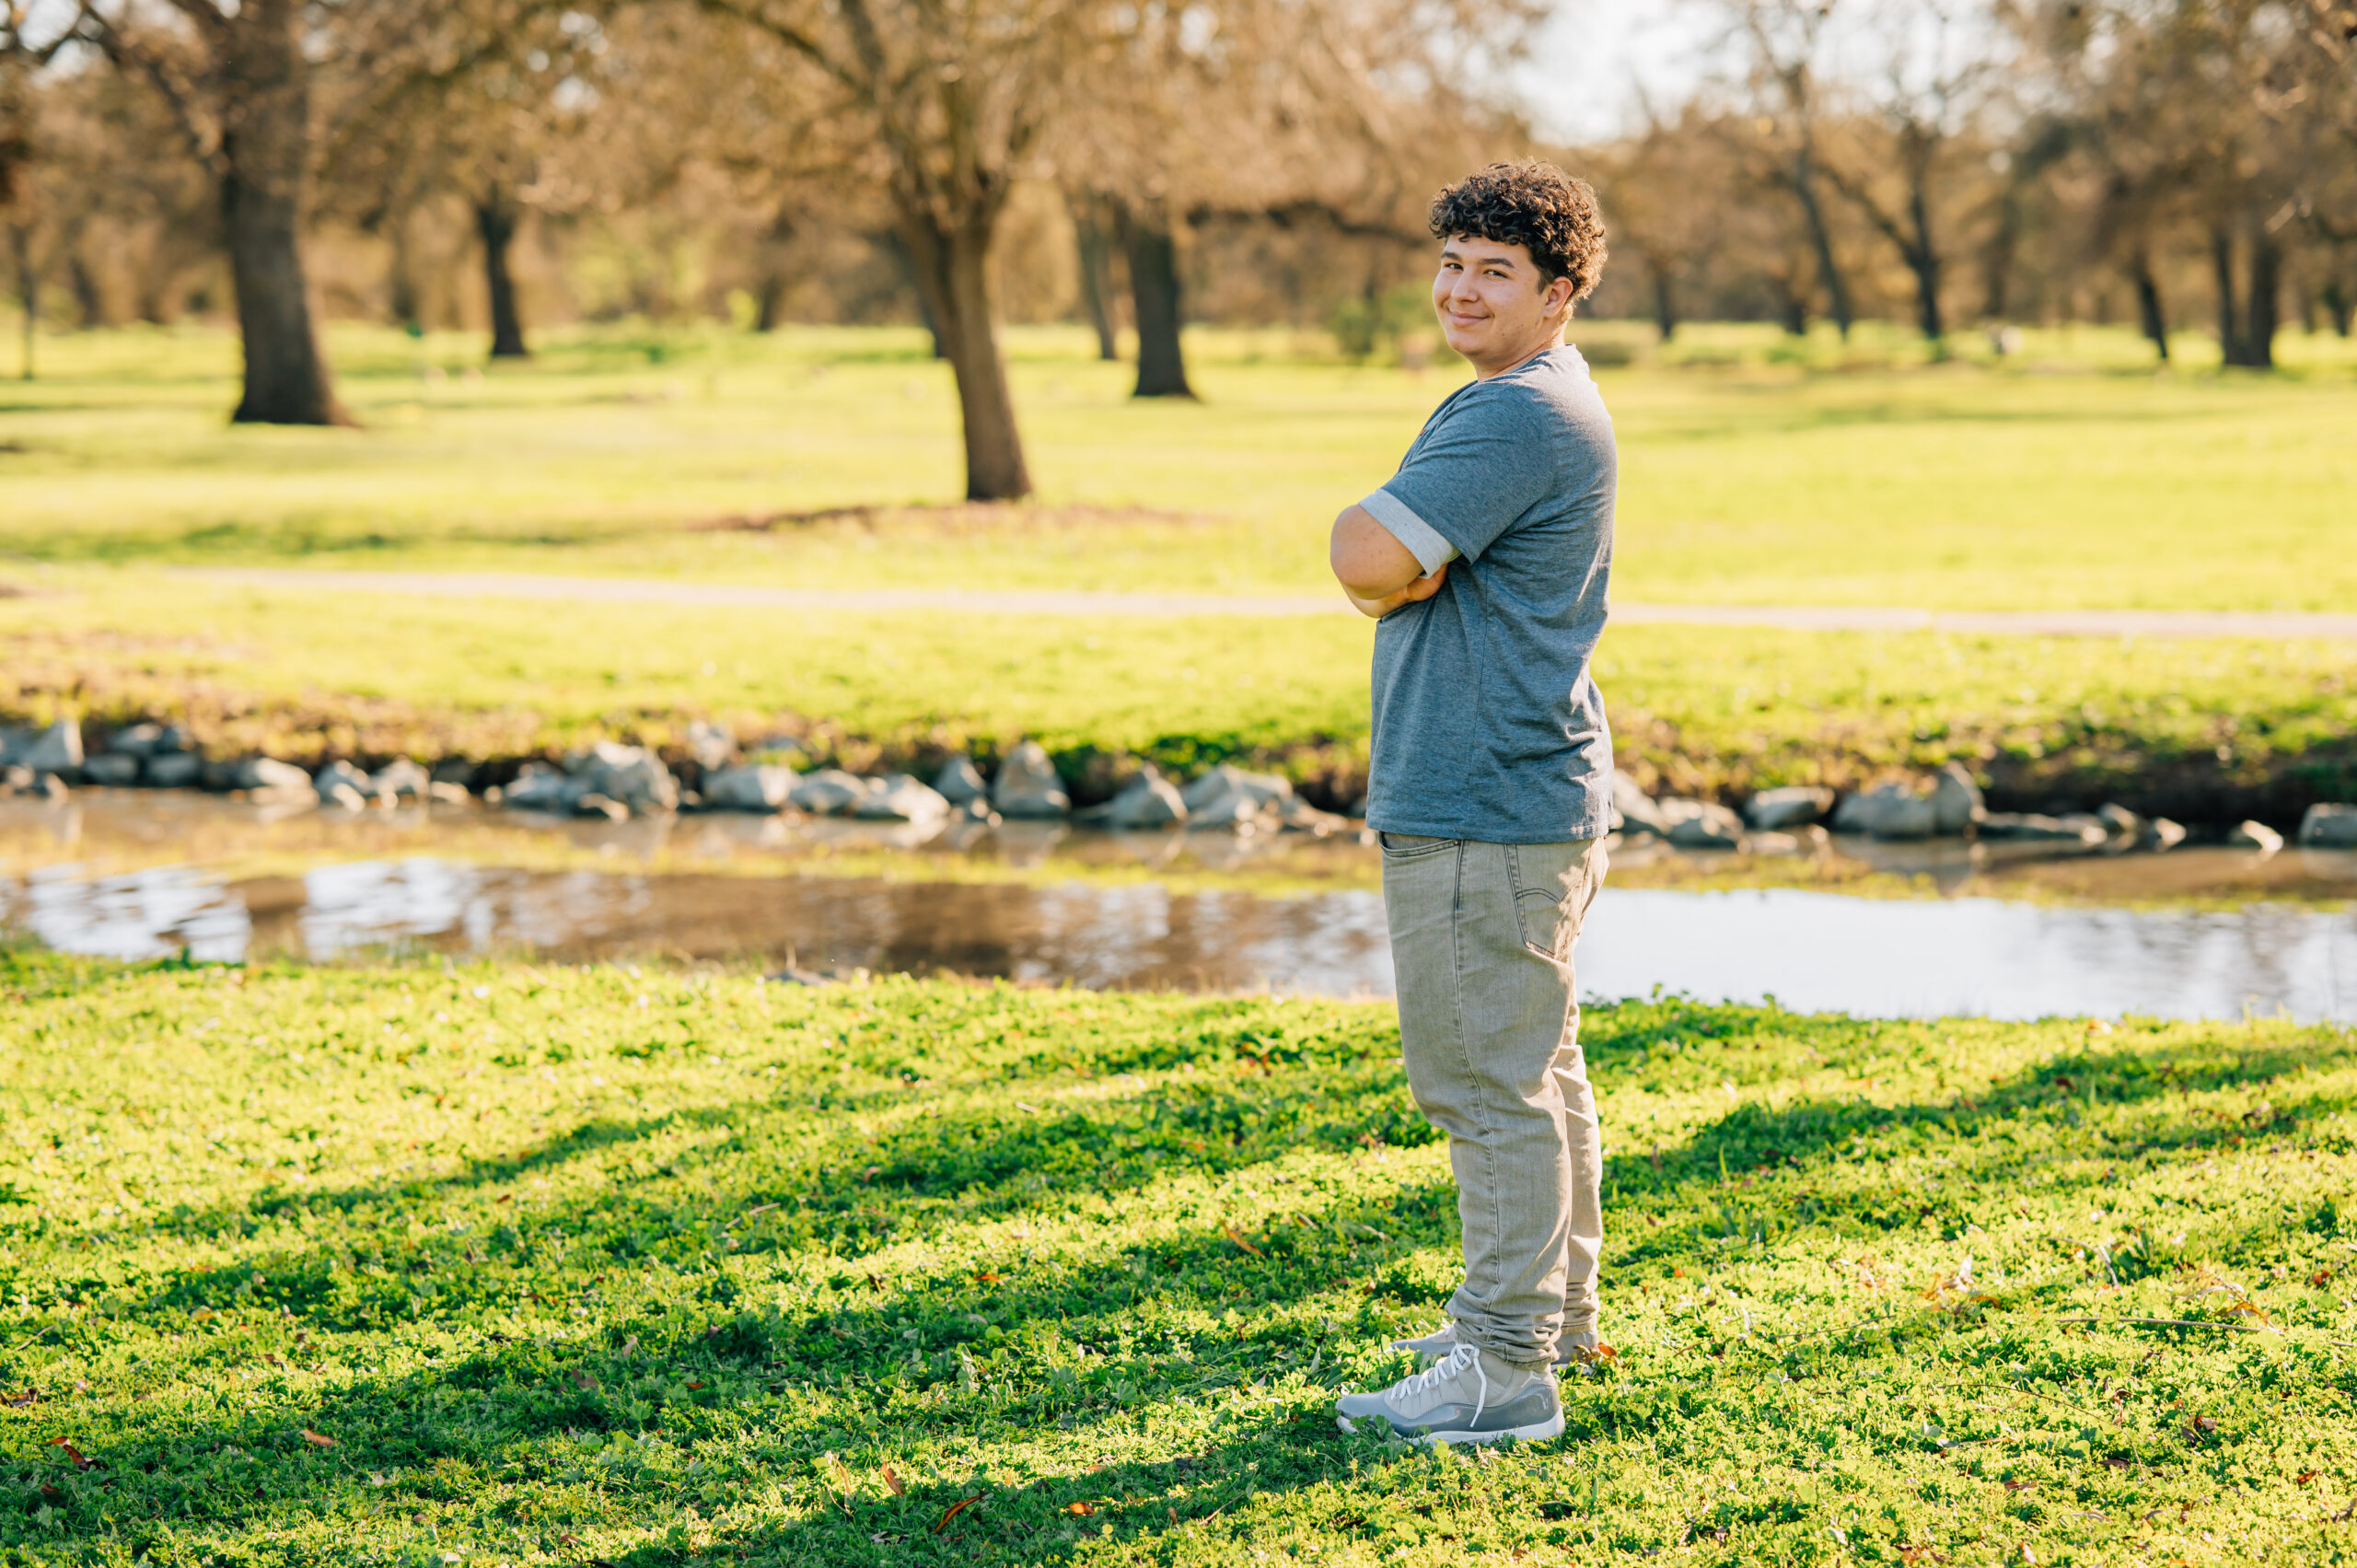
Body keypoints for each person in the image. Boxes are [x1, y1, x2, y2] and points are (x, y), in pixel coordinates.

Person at [1327, 160, 1618, 1446]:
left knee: (1487, 1086)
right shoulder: (1532, 397)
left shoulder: (1511, 418)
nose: (1461, 287)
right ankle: (1548, 1320)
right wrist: (1404, 574)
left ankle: (1507, 1372)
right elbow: (1398, 574)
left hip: (1484, 804)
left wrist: (1390, 564)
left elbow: (1363, 555)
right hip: (1525, 790)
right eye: (1451, 262)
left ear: (1559, 295)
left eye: (1496, 270)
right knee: (1538, 1069)